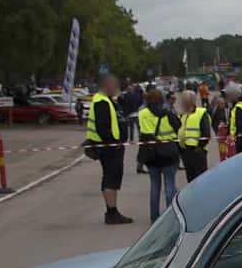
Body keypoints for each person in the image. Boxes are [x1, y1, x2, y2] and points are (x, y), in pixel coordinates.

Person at [86, 72, 131, 224]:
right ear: (106, 85)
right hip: (109, 148)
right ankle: (112, 213)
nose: (116, 88)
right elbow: (102, 127)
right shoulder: (101, 102)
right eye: (114, 85)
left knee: (112, 178)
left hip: (111, 147)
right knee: (111, 179)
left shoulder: (107, 100)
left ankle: (113, 211)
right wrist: (113, 142)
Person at [137, 87, 183, 221]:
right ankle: (169, 217)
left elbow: (142, 131)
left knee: (154, 187)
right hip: (168, 152)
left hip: (151, 154)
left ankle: (154, 216)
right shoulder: (168, 114)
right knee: (169, 186)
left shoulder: (143, 114)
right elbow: (178, 126)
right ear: (162, 100)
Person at [177, 89, 212, 184]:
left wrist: (199, 147)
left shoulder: (201, 113)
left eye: (184, 100)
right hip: (185, 151)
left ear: (190, 101)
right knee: (190, 178)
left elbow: (206, 133)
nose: (182, 103)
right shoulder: (183, 114)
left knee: (200, 179)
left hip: (197, 151)